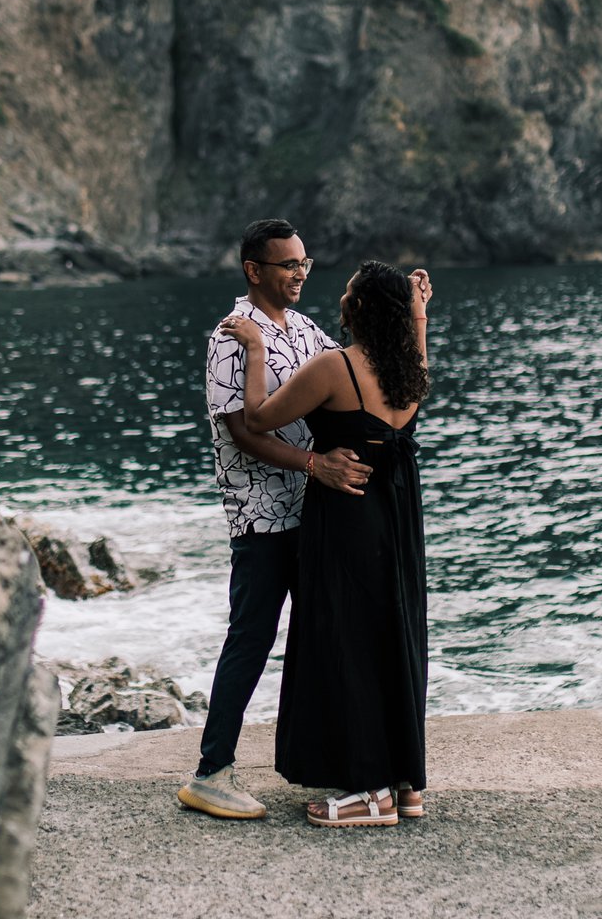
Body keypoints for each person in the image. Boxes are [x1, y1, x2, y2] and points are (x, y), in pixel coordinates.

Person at [218, 259, 433, 828]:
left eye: (347, 292)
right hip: (399, 519)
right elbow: (412, 342)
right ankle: (405, 785)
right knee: (392, 634)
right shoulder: (410, 369)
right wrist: (420, 311)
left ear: (359, 308)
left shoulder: (335, 368)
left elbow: (258, 418)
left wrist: (259, 348)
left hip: (348, 516)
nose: (338, 297)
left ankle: (368, 794)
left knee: (350, 641)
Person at [177, 220, 373, 821]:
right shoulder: (231, 335)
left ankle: (332, 765)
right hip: (261, 516)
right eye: (287, 265)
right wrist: (316, 463)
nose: (299, 274)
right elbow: (241, 428)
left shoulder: (307, 330)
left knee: (320, 636)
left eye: (305, 263)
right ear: (254, 270)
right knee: (252, 639)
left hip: (311, 511)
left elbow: (342, 381)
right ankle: (211, 772)